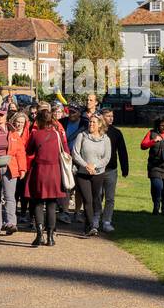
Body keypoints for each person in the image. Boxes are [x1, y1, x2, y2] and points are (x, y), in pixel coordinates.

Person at [25, 105, 70, 247]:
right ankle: (50, 237)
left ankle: (39, 235)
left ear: (38, 120)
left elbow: (29, 150)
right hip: (55, 171)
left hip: (40, 171)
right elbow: (66, 150)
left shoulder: (36, 134)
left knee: (38, 203)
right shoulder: (58, 134)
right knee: (51, 204)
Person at [71, 114, 111, 236]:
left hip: (98, 173)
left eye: (94, 122)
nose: (91, 124)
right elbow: (75, 154)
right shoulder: (81, 136)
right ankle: (90, 226)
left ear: (100, 124)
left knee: (95, 199)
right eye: (90, 122)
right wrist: (86, 165)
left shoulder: (106, 139)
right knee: (87, 199)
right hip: (83, 173)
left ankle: (93, 222)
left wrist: (95, 166)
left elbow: (107, 157)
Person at [100, 108, 129, 232]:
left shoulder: (117, 132)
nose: (111, 118)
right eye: (108, 116)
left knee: (110, 198)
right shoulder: (96, 131)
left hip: (111, 169)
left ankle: (107, 221)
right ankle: (94, 219)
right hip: (97, 170)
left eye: (112, 116)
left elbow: (122, 151)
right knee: (97, 196)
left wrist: (125, 168)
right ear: (101, 117)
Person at [60, 104, 85, 224]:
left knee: (79, 186)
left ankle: (77, 212)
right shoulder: (62, 122)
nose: (71, 114)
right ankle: (64, 212)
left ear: (79, 113)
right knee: (66, 184)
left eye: (74, 112)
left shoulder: (85, 123)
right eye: (70, 112)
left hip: (80, 158)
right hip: (66, 157)